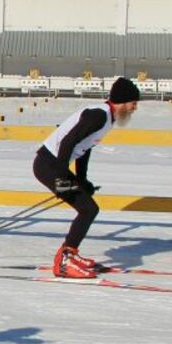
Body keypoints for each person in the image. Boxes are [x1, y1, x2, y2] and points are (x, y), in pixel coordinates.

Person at [32, 76, 142, 278]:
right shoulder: (99, 116)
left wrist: (82, 180)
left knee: (88, 208)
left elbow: (84, 148)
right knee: (88, 209)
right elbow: (68, 142)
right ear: (122, 101)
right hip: (48, 166)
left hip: (54, 165)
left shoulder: (107, 117)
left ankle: (70, 254)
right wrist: (62, 179)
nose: (135, 108)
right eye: (133, 103)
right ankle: (65, 260)